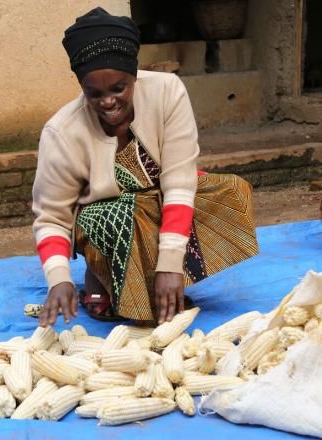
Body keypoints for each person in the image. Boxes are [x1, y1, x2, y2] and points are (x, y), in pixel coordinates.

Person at [32, 7, 258, 327]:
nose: (107, 102)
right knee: (128, 211)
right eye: (94, 93)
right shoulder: (61, 132)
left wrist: (170, 264)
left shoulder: (167, 92)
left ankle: (160, 281)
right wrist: (58, 279)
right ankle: (100, 275)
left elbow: (179, 181)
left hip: (158, 194)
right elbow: (52, 217)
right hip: (103, 215)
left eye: (118, 88)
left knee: (228, 191)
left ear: (134, 76)